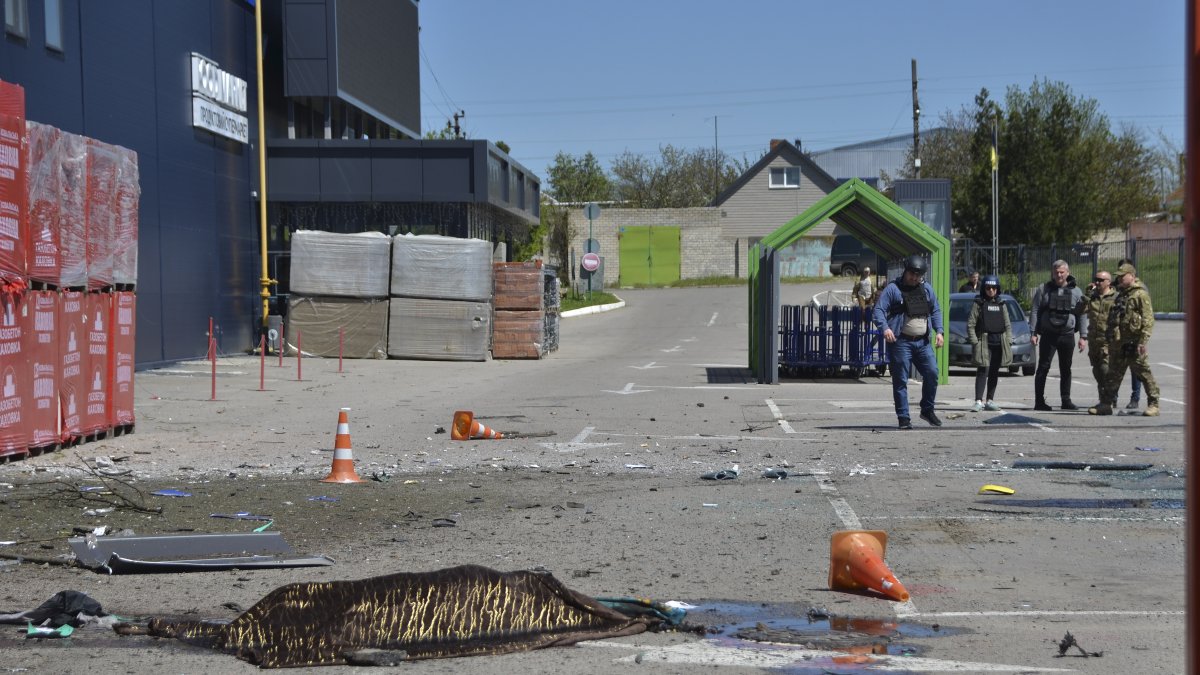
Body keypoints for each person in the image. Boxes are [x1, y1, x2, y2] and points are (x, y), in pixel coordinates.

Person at [872, 254, 945, 429]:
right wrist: (885, 328)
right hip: (901, 342)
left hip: (923, 343)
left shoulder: (927, 289)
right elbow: (878, 311)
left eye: (918, 275)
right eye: (912, 274)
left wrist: (939, 331)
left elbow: (935, 310)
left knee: (932, 373)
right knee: (900, 380)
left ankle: (927, 409)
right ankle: (903, 418)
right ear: (905, 271)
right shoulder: (893, 289)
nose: (914, 277)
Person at [1090, 263, 1160, 417]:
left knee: (1144, 373)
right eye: (1118, 276)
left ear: (1132, 276)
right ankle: (1106, 404)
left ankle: (1154, 404)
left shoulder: (1140, 294)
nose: (1119, 278)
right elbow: (1114, 318)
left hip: (1134, 342)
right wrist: (1110, 338)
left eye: (1122, 276)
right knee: (1113, 374)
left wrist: (1143, 341)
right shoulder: (1122, 294)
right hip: (1119, 343)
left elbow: (1148, 319)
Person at [1028, 260, 1088, 411]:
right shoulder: (1043, 289)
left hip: (1067, 335)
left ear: (1067, 272)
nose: (1059, 275)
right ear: (1052, 273)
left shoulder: (1076, 291)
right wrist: (1033, 332)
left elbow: (1081, 314)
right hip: (1049, 335)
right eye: (1056, 272)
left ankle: (1066, 400)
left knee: (1066, 368)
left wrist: (1083, 336)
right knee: (1043, 368)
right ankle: (1039, 401)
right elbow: (1035, 310)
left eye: (1062, 272)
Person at [966, 275, 1011, 412]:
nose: (991, 290)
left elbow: (1008, 324)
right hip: (984, 343)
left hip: (999, 343)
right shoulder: (978, 303)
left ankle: (990, 400)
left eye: (994, 288)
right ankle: (978, 401)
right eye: (988, 288)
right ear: (983, 288)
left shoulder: (1001, 304)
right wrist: (975, 342)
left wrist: (1008, 340)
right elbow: (970, 324)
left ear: (997, 289)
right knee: (982, 370)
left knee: (994, 372)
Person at [1084, 270, 1118, 410]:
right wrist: (1086, 295)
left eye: (1101, 280)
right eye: (1096, 280)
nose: (1097, 282)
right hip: (1094, 341)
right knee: (1097, 372)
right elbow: (1079, 310)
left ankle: (1108, 400)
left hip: (1108, 341)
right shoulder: (1093, 297)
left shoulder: (1116, 297)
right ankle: (1103, 399)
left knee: (1105, 370)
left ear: (1108, 282)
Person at [1116, 258, 1144, 410]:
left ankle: (1135, 398)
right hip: (1117, 334)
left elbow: (1146, 315)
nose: (1120, 275)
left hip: (1133, 335)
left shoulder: (1140, 290)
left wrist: (1142, 339)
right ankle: (1112, 397)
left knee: (1135, 368)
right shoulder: (1116, 287)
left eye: (1123, 272)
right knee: (1115, 367)